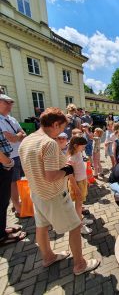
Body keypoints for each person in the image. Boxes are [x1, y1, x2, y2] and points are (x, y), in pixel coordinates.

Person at [19, 107, 100, 275]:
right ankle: (80, 265)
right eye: (62, 127)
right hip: (53, 194)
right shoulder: (48, 143)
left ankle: (48, 256)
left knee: (41, 227)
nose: (63, 131)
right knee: (76, 226)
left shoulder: (27, 140)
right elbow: (50, 176)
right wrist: (67, 171)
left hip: (37, 193)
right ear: (55, 124)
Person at [0, 93, 27, 217]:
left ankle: (18, 203)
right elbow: (11, 138)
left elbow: (23, 133)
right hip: (9, 157)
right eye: (7, 103)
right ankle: (18, 209)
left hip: (19, 153)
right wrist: (17, 136)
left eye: (11, 103)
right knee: (13, 183)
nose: (10, 105)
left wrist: (17, 136)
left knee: (19, 181)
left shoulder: (11, 119)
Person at [0, 128, 26, 245]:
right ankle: (1, 237)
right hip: (3, 164)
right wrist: (7, 161)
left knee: (4, 201)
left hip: (4, 162)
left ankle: (2, 230)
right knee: (1, 201)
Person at [67, 136, 93, 235]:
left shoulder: (78, 153)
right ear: (75, 146)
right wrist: (76, 188)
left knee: (80, 204)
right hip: (77, 183)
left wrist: (86, 180)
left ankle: (80, 220)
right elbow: (70, 175)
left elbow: (81, 169)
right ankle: (79, 226)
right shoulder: (71, 158)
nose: (84, 149)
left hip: (82, 181)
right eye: (82, 147)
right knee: (78, 205)